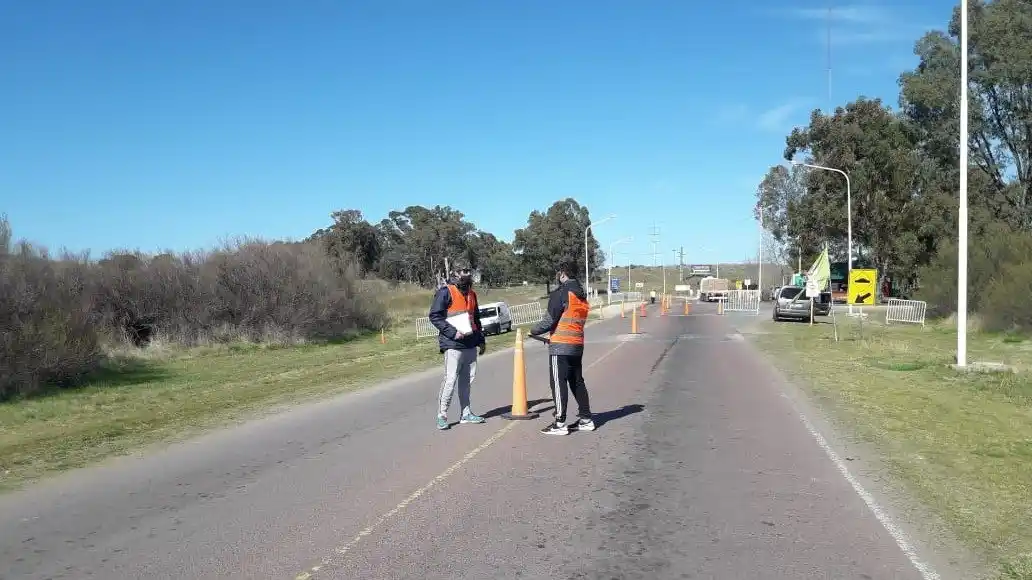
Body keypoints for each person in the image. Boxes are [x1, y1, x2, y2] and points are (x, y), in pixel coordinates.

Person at [529, 262, 595, 436]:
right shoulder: (581, 296)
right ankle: (586, 419)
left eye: (559, 273)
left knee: (558, 383)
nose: (558, 277)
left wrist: (533, 330)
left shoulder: (561, 293)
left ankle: (560, 422)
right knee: (577, 382)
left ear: (563, 274)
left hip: (560, 347)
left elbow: (549, 321)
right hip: (577, 345)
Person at [428, 265, 487, 431]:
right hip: (453, 344)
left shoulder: (472, 294)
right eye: (463, 271)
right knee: (450, 380)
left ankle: (466, 413)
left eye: (468, 271)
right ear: (454, 274)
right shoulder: (445, 292)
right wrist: (453, 333)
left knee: (466, 382)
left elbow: (476, 319)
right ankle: (442, 415)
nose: (467, 274)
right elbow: (434, 316)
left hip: (470, 344)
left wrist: (481, 340)